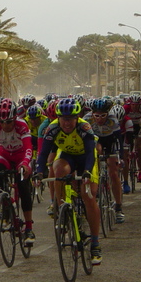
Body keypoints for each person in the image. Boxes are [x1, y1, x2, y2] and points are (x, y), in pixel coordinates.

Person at [35, 98, 102, 264]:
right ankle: (62, 207)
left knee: (89, 197)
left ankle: (95, 243)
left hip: (85, 158)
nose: (67, 123)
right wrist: (38, 172)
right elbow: (43, 154)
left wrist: (86, 172)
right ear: (58, 118)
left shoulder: (84, 127)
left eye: (71, 119)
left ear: (76, 117)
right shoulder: (52, 129)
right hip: (68, 157)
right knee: (57, 170)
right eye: (64, 119)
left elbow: (89, 153)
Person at [0, 98, 35, 243]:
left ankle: (29, 228)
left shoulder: (22, 125)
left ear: (14, 118)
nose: (5, 125)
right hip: (4, 156)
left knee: (23, 187)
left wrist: (25, 164)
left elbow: (29, 147)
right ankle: (8, 204)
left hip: (20, 157)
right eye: (2, 122)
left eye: (9, 122)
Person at [83, 98, 125, 223]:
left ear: (108, 114)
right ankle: (97, 174)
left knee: (113, 173)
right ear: (92, 114)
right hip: (96, 140)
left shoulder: (113, 120)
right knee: (97, 149)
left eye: (103, 116)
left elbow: (119, 140)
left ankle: (118, 207)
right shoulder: (87, 119)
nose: (100, 119)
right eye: (97, 116)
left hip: (110, 141)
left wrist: (120, 157)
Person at [123, 94, 141, 183]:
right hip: (128, 125)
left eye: (136, 105)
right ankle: (129, 153)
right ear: (130, 104)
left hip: (139, 125)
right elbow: (122, 121)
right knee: (128, 143)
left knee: (139, 145)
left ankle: (140, 171)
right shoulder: (126, 108)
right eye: (133, 104)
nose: (134, 106)